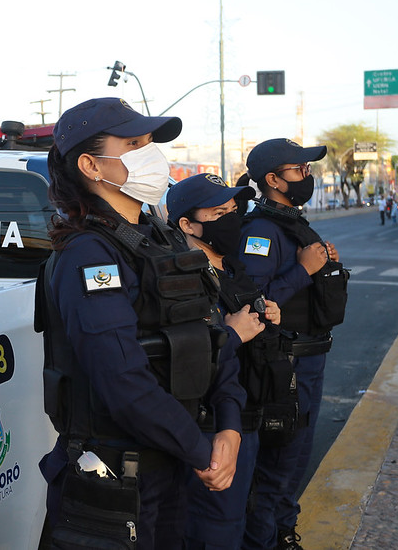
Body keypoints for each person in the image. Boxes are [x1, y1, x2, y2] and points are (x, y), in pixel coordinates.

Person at [34, 97, 257, 548]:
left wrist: (229, 427)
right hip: (116, 482)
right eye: (134, 143)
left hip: (174, 464)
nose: (151, 153)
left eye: (150, 141)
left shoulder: (165, 237)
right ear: (91, 165)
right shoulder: (88, 254)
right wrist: (205, 453)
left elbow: (213, 338)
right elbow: (122, 380)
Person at [236, 138, 350, 550]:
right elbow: (256, 300)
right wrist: (305, 269)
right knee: (278, 464)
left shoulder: (292, 221)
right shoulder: (261, 231)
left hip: (309, 360)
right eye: (299, 169)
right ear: (273, 180)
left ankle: (283, 532)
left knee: (296, 461)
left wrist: (323, 264)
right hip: (284, 366)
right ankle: (264, 541)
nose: (308, 176)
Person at [166, 173, 289, 550]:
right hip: (210, 429)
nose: (233, 219)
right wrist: (233, 334)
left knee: (240, 520)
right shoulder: (176, 277)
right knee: (213, 531)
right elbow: (178, 360)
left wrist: (267, 316)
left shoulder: (230, 269)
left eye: (235, 209)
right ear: (187, 224)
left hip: (247, 418)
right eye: (220, 212)